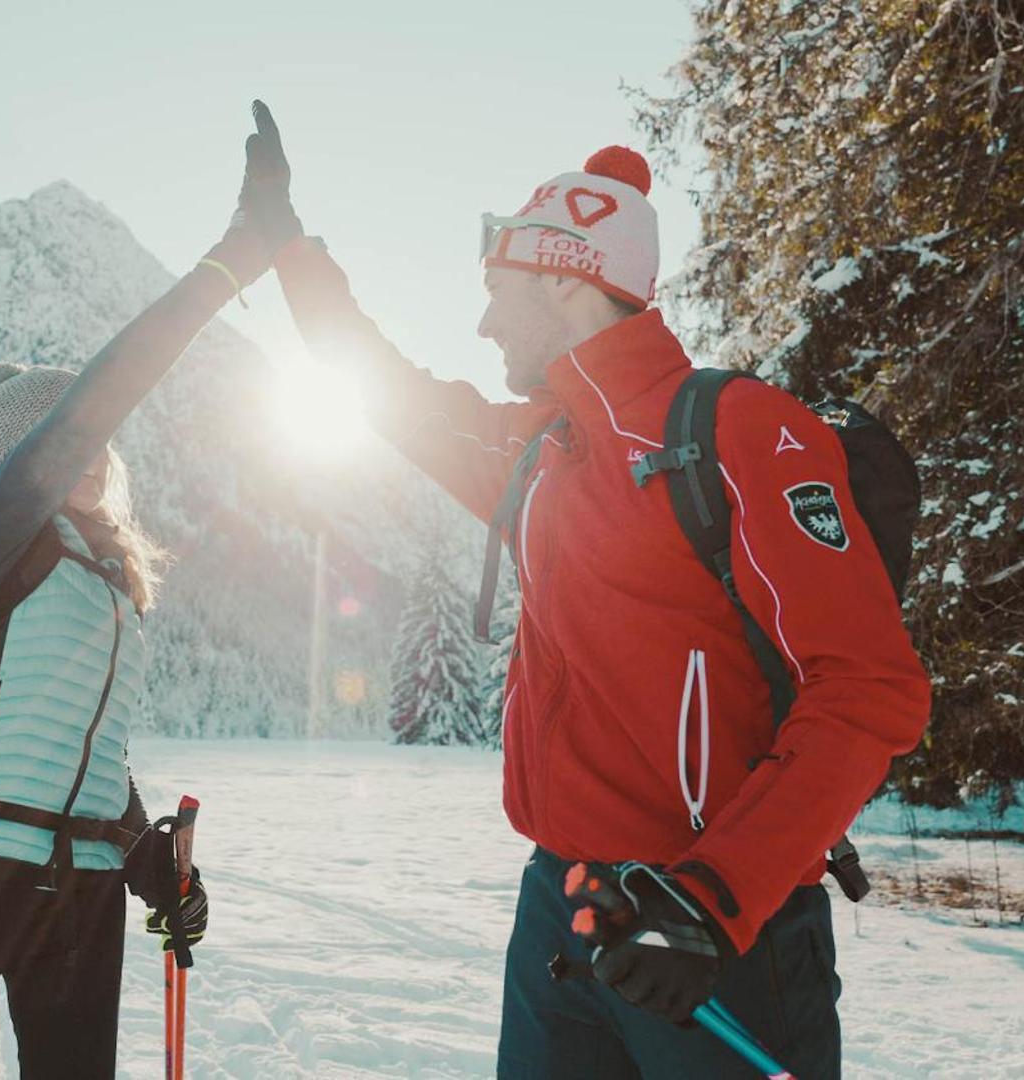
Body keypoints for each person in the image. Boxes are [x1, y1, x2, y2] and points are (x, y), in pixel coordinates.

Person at [240, 102, 930, 1077]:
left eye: (497, 289)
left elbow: (867, 688)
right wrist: (284, 248)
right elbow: (382, 389)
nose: (479, 322)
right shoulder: (534, 451)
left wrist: (710, 900)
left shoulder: (737, 432)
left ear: (566, 277)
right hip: (559, 913)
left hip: (713, 933)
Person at [0, 119, 286, 1078]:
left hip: (77, 888)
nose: (88, 453)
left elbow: (82, 750)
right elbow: (111, 387)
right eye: (64, 440)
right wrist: (233, 260)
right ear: (23, 454)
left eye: (91, 447)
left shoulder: (112, 581)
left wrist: (142, 857)